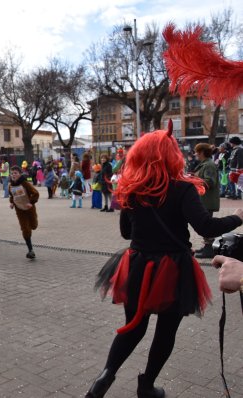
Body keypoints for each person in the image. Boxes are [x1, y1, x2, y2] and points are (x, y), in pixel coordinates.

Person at [85, 123, 243, 398]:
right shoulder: (182, 188)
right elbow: (205, 227)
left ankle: (104, 378)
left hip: (136, 265)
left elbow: (126, 233)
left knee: (134, 326)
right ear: (171, 155)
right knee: (165, 331)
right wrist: (239, 217)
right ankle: (146, 386)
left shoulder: (132, 188)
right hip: (174, 268)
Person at [193, 143, 220, 259]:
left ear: (202, 152)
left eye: (197, 152)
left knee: (206, 223)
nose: (196, 154)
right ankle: (207, 246)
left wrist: (194, 181)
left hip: (207, 200)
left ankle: (209, 249)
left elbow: (210, 181)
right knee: (204, 222)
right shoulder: (205, 164)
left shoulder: (209, 165)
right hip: (204, 199)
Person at [8, 165, 39, 259]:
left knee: (33, 226)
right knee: (25, 229)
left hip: (29, 208)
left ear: (20, 174)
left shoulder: (25, 183)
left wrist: (31, 202)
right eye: (12, 173)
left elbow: (35, 193)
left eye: (15, 173)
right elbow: (12, 196)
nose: (13, 175)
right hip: (19, 209)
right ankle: (30, 250)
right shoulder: (10, 186)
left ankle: (32, 225)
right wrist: (12, 203)